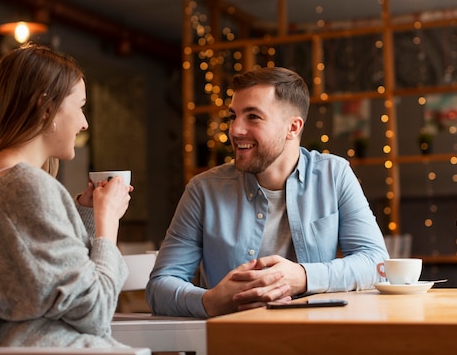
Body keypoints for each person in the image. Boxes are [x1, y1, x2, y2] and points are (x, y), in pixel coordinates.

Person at [146, 66, 388, 318]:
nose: (235, 129)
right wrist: (209, 301)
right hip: (233, 341)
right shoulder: (203, 190)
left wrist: (302, 276)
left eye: (253, 117)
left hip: (316, 337)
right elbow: (160, 286)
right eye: (233, 116)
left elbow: (376, 263)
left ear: (293, 128)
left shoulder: (334, 175)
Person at [0, 43, 133, 347]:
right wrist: (106, 221)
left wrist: (85, 214)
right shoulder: (25, 186)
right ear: (47, 107)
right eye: (81, 106)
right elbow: (95, 311)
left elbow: (42, 281)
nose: (84, 122)